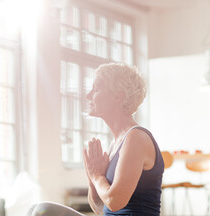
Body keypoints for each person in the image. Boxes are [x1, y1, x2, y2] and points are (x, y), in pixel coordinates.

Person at [27, 63, 164, 216]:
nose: (88, 95)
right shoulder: (115, 144)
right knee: (34, 209)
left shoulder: (136, 138)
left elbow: (114, 201)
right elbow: (99, 207)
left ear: (118, 96)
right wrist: (92, 179)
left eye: (96, 89)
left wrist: (97, 176)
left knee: (42, 211)